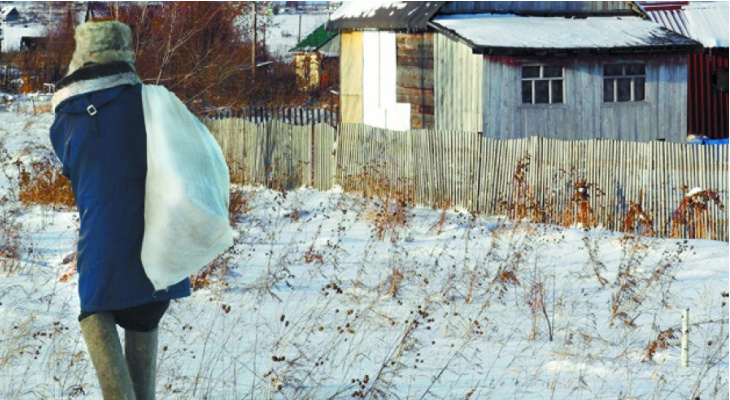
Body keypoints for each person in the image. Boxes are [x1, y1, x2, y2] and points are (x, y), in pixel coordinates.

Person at [50, 21, 191, 400]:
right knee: (143, 373)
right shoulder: (154, 104)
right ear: (126, 54)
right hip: (159, 255)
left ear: (81, 58)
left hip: (102, 255)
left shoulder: (64, 121)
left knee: (96, 316)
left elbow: (76, 171)